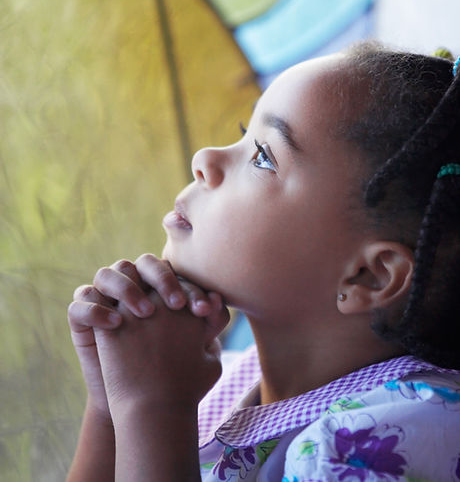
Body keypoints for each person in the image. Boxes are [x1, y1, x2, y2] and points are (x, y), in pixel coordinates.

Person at [66, 42, 460, 482]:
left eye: (262, 156)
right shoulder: (225, 377)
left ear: (370, 275)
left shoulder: (382, 441)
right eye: (242, 132)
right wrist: (110, 407)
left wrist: (152, 408)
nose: (205, 159)